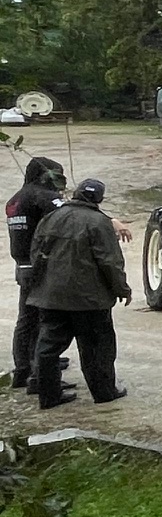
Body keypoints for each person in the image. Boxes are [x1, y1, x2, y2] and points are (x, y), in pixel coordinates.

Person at [25, 177, 130, 409]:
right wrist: (122, 289)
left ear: (75, 194)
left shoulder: (50, 218)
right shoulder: (99, 222)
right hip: (89, 300)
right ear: (99, 199)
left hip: (51, 297)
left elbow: (36, 253)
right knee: (96, 348)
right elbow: (110, 262)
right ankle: (104, 393)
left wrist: (40, 286)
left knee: (47, 348)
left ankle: (48, 397)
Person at [6, 156, 67, 395]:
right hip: (41, 265)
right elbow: (70, 216)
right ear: (46, 176)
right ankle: (40, 373)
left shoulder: (16, 199)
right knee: (45, 319)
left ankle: (23, 368)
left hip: (22, 265)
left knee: (26, 319)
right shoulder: (42, 196)